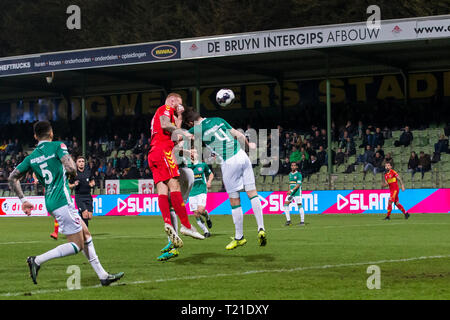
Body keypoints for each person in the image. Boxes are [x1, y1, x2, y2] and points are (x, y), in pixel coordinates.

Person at [8, 121, 123, 286]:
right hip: (62, 200)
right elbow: (71, 168)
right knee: (77, 244)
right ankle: (37, 260)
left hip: (51, 200)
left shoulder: (31, 157)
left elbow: (12, 177)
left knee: (86, 234)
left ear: (35, 136)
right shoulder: (57, 146)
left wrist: (23, 200)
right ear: (51, 133)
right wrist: (73, 173)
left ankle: (103, 276)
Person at [183, 107, 267, 250]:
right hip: (242, 155)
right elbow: (239, 136)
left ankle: (239, 237)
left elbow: (180, 137)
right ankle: (261, 228)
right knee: (252, 193)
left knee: (235, 200)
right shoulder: (218, 120)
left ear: (190, 123)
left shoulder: (195, 130)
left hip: (229, 162)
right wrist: (249, 146)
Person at [148, 93, 204, 250]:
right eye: (178, 104)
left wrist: (179, 116)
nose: (179, 107)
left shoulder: (169, 114)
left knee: (162, 190)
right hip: (163, 151)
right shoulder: (165, 108)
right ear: (172, 101)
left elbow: (175, 134)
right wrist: (185, 133)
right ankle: (186, 225)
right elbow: (166, 125)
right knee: (175, 186)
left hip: (154, 153)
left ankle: (168, 223)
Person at [188, 152, 214, 238]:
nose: (192, 154)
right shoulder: (187, 167)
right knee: (196, 214)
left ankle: (207, 217)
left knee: (201, 210)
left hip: (202, 191)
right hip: (191, 193)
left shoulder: (202, 165)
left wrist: (209, 181)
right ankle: (206, 231)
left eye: (194, 152)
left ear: (197, 155)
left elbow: (210, 174)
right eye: (190, 152)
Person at [69, 156, 95, 227]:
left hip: (88, 196)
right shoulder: (74, 173)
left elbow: (92, 180)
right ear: (76, 163)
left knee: (89, 216)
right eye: (79, 161)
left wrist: (92, 184)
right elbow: (68, 185)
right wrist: (74, 184)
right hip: (79, 196)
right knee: (85, 215)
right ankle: (85, 234)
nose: (81, 163)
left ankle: (77, 219)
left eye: (82, 161)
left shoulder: (88, 171)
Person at [283, 162, 305, 226]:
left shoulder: (298, 174)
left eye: (294, 166)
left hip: (297, 192)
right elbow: (290, 184)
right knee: (285, 205)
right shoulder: (290, 174)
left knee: (299, 205)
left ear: (296, 167)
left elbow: (298, 185)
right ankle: (288, 221)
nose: (293, 167)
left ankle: (302, 222)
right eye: (292, 165)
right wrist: (289, 191)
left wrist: (292, 190)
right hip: (291, 193)